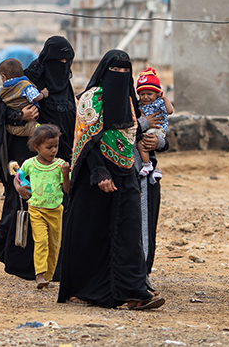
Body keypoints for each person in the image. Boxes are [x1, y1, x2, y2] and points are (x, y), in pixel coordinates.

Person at [57, 49, 165, 310]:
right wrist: (99, 173)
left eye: (124, 71)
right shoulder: (90, 98)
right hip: (96, 176)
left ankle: (134, 292)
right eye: (115, 70)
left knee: (128, 233)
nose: (120, 75)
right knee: (91, 232)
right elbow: (85, 141)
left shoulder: (130, 100)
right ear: (105, 71)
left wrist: (154, 141)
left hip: (126, 172)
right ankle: (82, 289)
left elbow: (132, 133)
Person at [0, 76, 41, 280]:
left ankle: (33, 265)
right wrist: (18, 116)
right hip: (19, 154)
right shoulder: (26, 84)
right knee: (17, 204)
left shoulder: (61, 89)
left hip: (51, 156)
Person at [14, 124, 70, 290]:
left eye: (56, 146)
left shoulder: (60, 165)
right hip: (36, 210)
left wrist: (66, 174)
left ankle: (48, 277)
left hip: (56, 211)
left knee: (54, 245)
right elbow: (18, 177)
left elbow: (66, 189)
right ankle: (39, 275)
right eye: (49, 147)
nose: (53, 150)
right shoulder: (30, 164)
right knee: (41, 242)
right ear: (36, 147)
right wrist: (19, 188)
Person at [23, 36, 77, 162]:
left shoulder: (65, 85)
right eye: (59, 60)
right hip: (36, 155)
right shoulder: (30, 80)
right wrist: (20, 115)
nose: (63, 64)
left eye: (66, 60)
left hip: (66, 153)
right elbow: (3, 107)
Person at [135, 68, 173, 178]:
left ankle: (148, 165)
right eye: (142, 94)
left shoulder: (159, 103)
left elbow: (170, 111)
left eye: (149, 94)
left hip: (157, 129)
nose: (145, 97)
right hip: (147, 129)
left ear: (157, 93)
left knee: (142, 144)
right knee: (144, 146)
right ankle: (155, 169)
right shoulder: (139, 105)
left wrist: (165, 98)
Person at [0, 58, 48, 137]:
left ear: (3, 77)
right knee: (43, 134)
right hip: (25, 125)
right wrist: (43, 94)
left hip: (9, 126)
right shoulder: (26, 86)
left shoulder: (1, 90)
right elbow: (34, 97)